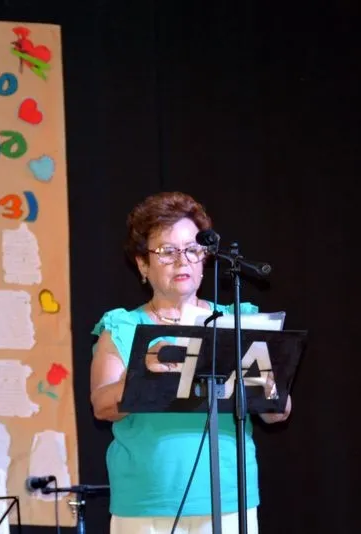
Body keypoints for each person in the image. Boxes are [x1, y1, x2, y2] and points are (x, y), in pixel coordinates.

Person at [90, 191, 292, 534]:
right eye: (166, 251)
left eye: (192, 249)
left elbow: (278, 413)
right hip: (145, 504)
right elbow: (101, 406)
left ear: (205, 257)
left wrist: (269, 386)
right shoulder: (123, 326)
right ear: (142, 264)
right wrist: (142, 373)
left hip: (230, 500)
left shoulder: (239, 322)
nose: (181, 260)